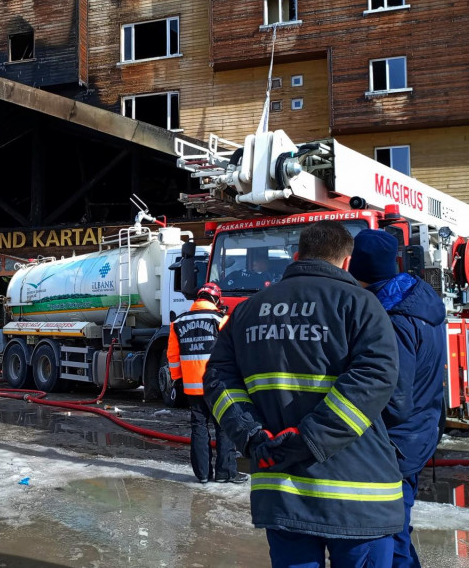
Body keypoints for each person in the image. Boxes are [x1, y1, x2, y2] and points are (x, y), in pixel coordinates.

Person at [204, 221, 402, 568]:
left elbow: (218, 379)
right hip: (357, 496)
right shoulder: (362, 304)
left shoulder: (247, 310)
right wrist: (311, 438)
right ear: (345, 263)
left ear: (296, 257)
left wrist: (251, 435)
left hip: (281, 489)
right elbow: (376, 376)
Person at [349, 229, 446, 568]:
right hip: (420, 431)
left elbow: (395, 397)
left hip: (396, 443)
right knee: (398, 528)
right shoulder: (419, 300)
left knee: (389, 534)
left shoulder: (392, 318)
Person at [167, 283, 249, 484]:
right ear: (216, 300)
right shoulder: (221, 320)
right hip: (218, 385)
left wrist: (179, 379)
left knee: (198, 427)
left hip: (192, 386)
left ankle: (202, 474)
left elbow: (173, 356)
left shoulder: (177, 323)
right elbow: (235, 352)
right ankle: (225, 473)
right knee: (223, 426)